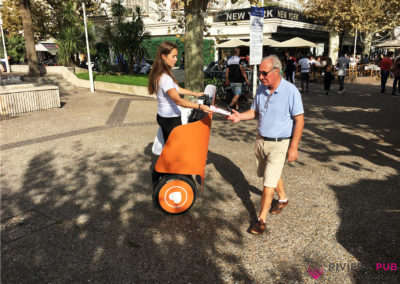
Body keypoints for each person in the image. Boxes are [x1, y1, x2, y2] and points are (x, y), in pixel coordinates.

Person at [227, 55, 304, 235]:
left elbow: (299, 121)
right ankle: (283, 199)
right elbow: (254, 112)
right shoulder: (261, 89)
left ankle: (261, 220)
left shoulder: (291, 91)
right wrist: (239, 116)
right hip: (261, 141)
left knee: (268, 183)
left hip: (280, 144)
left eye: (264, 73)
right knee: (269, 174)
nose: (260, 77)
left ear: (277, 71)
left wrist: (294, 147)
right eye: (259, 73)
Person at [148, 41, 211, 142]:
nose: (176, 59)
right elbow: (178, 101)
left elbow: (177, 89)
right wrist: (200, 106)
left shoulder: (161, 73)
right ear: (164, 56)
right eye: (173, 56)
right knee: (175, 150)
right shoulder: (165, 78)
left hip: (164, 116)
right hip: (170, 119)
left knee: (171, 147)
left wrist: (195, 94)